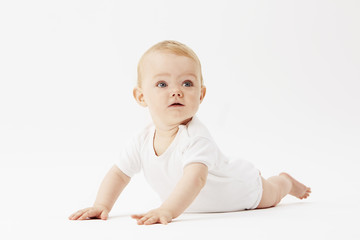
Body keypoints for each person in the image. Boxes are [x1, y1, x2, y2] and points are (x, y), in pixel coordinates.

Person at [69, 40, 311, 225]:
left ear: (201, 95)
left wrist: (167, 210)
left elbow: (195, 178)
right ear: (141, 96)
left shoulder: (196, 137)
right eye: (162, 84)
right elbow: (119, 173)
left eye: (187, 83)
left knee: (272, 195)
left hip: (242, 190)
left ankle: (285, 182)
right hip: (198, 203)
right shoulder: (142, 140)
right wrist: (102, 205)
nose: (176, 91)